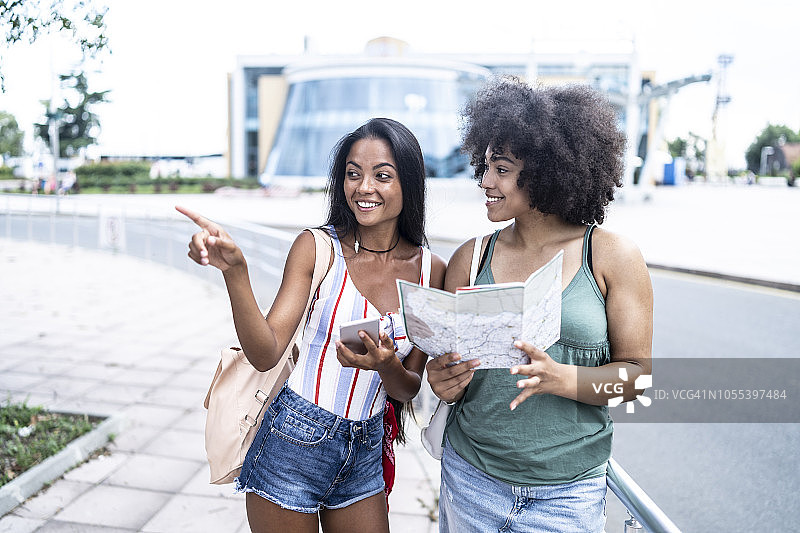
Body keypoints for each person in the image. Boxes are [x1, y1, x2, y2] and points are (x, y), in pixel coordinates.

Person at [178, 117, 446, 533]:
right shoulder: (317, 248)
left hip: (365, 451)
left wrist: (386, 365)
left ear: (409, 183)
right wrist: (235, 272)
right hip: (292, 442)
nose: (363, 187)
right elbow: (266, 353)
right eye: (353, 174)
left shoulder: (433, 272)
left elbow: (409, 387)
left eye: (382, 175)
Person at [426, 77, 653, 533]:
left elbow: (635, 381)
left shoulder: (612, 257)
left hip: (567, 495)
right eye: (484, 165)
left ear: (547, 172)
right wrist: (443, 380)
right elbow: (452, 373)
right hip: (469, 478)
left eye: (502, 169)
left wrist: (561, 379)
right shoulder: (470, 260)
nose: (485, 181)